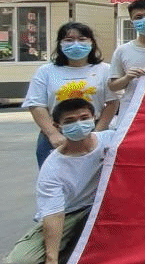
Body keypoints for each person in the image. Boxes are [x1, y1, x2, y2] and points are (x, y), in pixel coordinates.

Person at [3, 98, 114, 264]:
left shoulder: (112, 139)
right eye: (70, 121)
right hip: (72, 214)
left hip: (109, 205)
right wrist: (51, 259)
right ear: (57, 126)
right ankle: (71, 256)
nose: (79, 124)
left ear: (94, 117)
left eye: (84, 118)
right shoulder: (53, 167)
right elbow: (54, 214)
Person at [22, 21, 117, 168]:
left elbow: (112, 102)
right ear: (60, 44)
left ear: (91, 43)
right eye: (69, 40)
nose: (76, 44)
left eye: (82, 39)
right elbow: (36, 105)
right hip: (57, 132)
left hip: (93, 129)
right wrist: (53, 134)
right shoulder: (45, 71)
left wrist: (98, 133)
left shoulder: (105, 70)